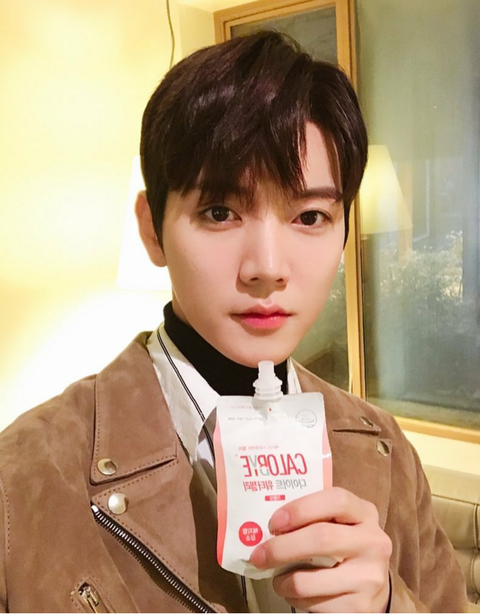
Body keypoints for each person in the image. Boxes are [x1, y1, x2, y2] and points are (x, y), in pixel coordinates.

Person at [0, 31, 467, 613]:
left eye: (310, 216)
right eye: (220, 212)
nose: (268, 267)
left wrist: (391, 605)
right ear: (152, 230)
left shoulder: (385, 451)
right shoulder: (24, 480)